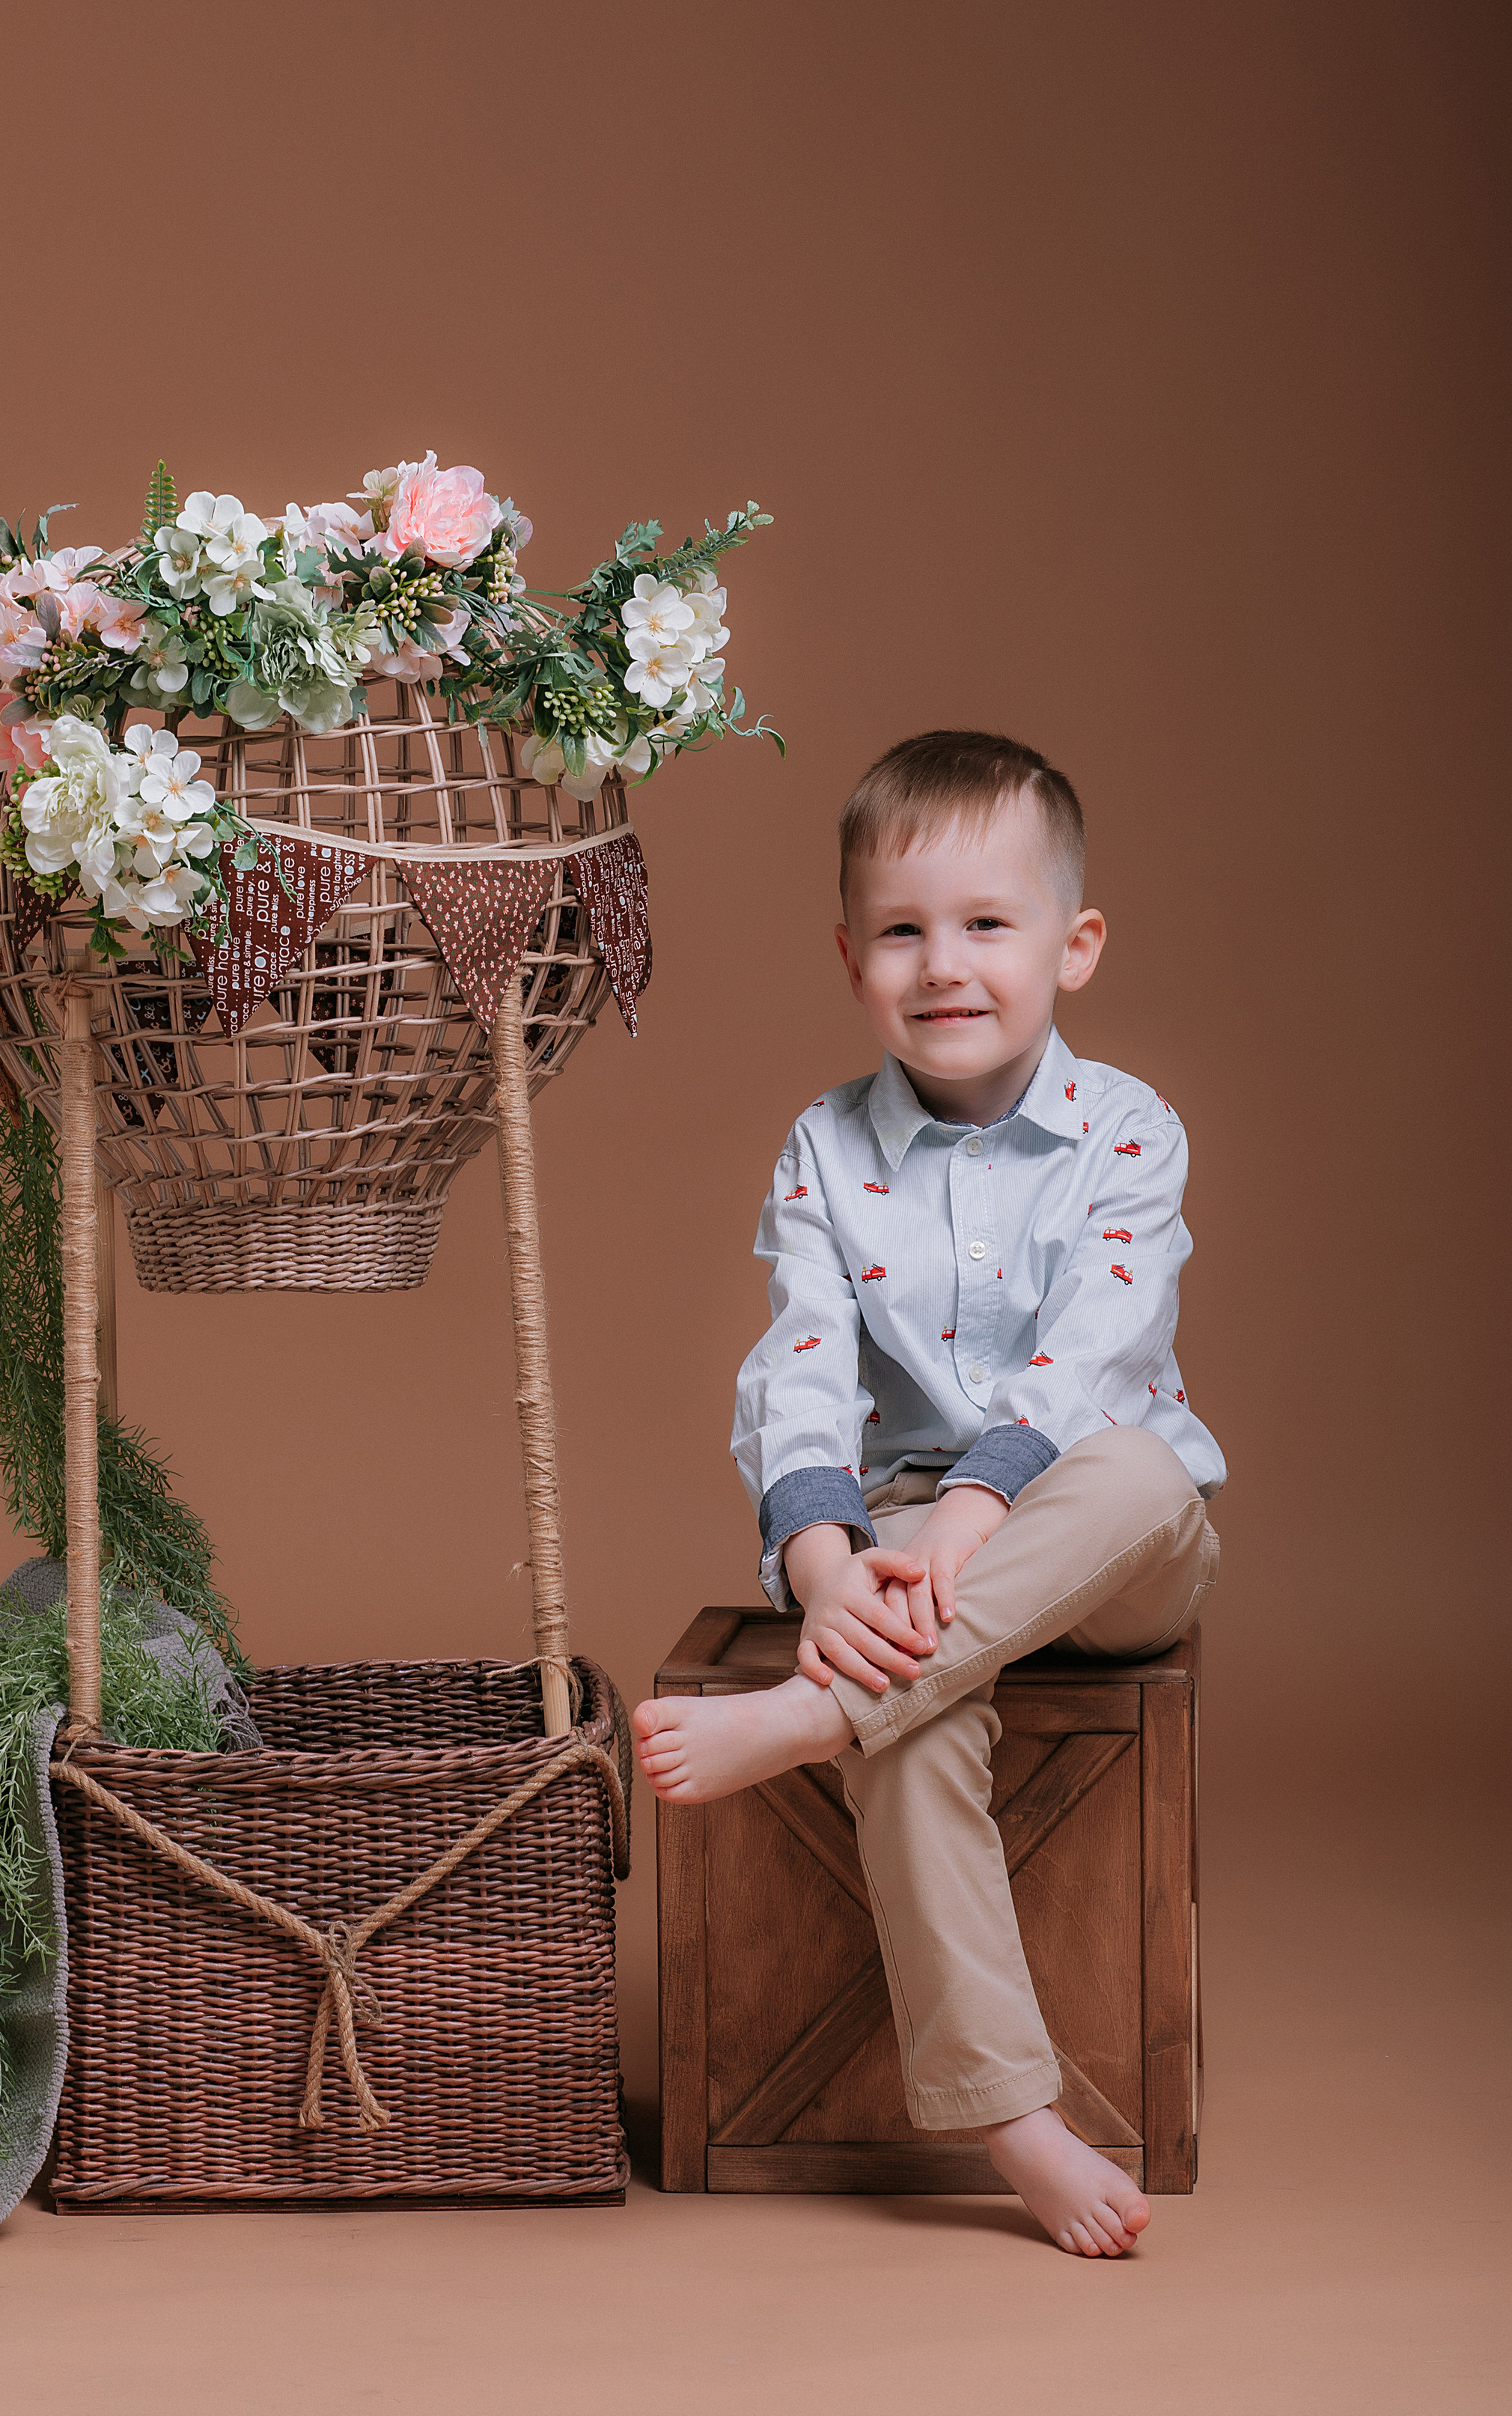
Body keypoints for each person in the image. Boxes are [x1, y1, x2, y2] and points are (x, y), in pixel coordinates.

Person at [633, 729, 1222, 2258]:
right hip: (908, 1553)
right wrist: (828, 1574)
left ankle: (815, 1716)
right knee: (911, 1720)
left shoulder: (1126, 1131)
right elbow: (800, 1364)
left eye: (984, 925)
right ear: (849, 958)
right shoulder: (824, 1151)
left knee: (1146, 1466)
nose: (941, 965)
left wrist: (960, 1529)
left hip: (1096, 1531)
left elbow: (1096, 1349)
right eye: (901, 931)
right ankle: (1007, 2111)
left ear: (1070, 946)